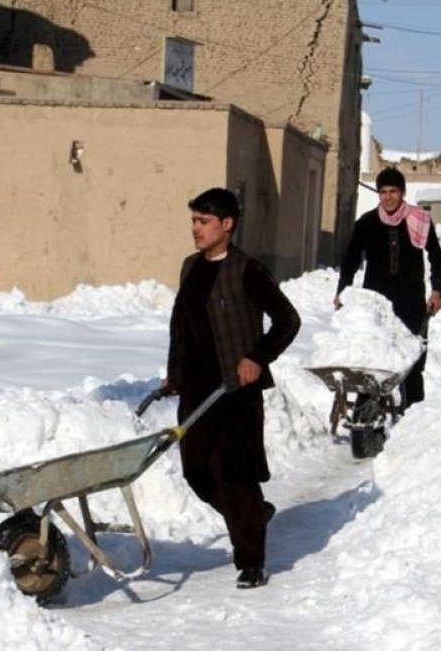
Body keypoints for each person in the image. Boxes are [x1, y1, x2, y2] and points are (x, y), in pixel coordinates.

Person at [162, 187, 301, 590]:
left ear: (227, 224)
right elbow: (180, 326)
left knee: (236, 477)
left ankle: (251, 560)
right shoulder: (190, 268)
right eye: (193, 220)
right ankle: (253, 516)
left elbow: (288, 320)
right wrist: (176, 372)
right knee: (196, 471)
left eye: (204, 221)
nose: (196, 229)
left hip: (236, 390)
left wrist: (257, 357)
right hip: (198, 390)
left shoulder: (247, 270)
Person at [335, 167, 441, 407]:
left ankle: (414, 415)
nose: (388, 197)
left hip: (411, 302)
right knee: (373, 362)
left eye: (393, 191)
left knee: (412, 362)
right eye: (383, 192)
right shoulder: (367, 223)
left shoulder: (419, 220)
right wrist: (341, 291)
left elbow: (437, 257)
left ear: (403, 192)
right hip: (376, 303)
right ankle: (367, 414)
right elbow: (351, 260)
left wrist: (436, 290)